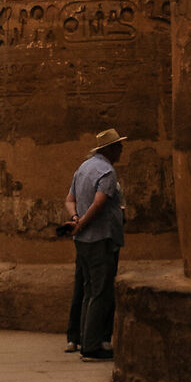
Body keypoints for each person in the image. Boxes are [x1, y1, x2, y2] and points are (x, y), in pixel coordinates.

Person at [63, 127, 124, 361]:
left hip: (83, 241)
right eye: (118, 146)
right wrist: (82, 224)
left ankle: (84, 338)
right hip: (100, 238)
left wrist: (75, 218)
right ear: (110, 149)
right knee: (100, 292)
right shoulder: (106, 172)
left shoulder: (84, 168)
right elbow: (99, 204)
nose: (121, 149)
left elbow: (70, 199)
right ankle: (91, 346)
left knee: (89, 290)